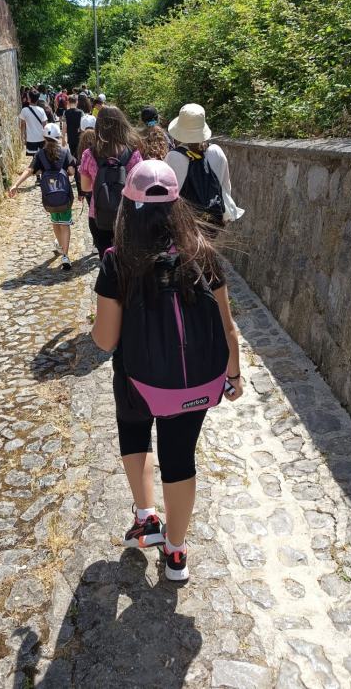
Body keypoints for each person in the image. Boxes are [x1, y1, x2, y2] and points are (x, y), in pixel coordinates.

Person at [91, 159, 243, 582]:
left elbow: (105, 341)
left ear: (127, 205)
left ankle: (147, 518)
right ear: (178, 204)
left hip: (138, 380)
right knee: (180, 460)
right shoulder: (203, 253)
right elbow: (228, 326)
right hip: (191, 383)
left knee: (134, 430)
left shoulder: (118, 261)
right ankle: (176, 553)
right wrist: (234, 376)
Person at [9, 124, 76, 271]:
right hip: (64, 195)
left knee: (56, 222)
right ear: (58, 137)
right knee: (65, 224)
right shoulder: (65, 152)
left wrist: (16, 185)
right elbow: (71, 171)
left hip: (49, 196)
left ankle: (60, 245)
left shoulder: (40, 154)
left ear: (44, 138)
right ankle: (65, 255)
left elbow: (29, 170)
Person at [79, 106, 142, 258]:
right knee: (128, 260)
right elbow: (140, 187)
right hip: (127, 216)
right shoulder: (134, 153)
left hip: (99, 216)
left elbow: (85, 187)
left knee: (106, 260)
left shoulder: (89, 154)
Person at [165, 103, 244, 224]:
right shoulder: (217, 151)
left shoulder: (173, 157)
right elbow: (225, 187)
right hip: (213, 219)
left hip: (185, 221)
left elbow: (167, 194)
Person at [19, 90, 47, 160]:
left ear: (29, 99)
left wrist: (22, 137)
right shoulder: (41, 110)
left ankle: (35, 169)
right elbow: (45, 126)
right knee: (42, 157)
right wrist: (47, 138)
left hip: (31, 139)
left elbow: (22, 125)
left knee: (34, 158)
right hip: (41, 138)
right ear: (37, 99)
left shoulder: (24, 110)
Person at [76, 114, 97, 203]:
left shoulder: (81, 149)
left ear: (81, 129)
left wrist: (80, 192)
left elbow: (78, 173)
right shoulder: (103, 144)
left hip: (88, 189)